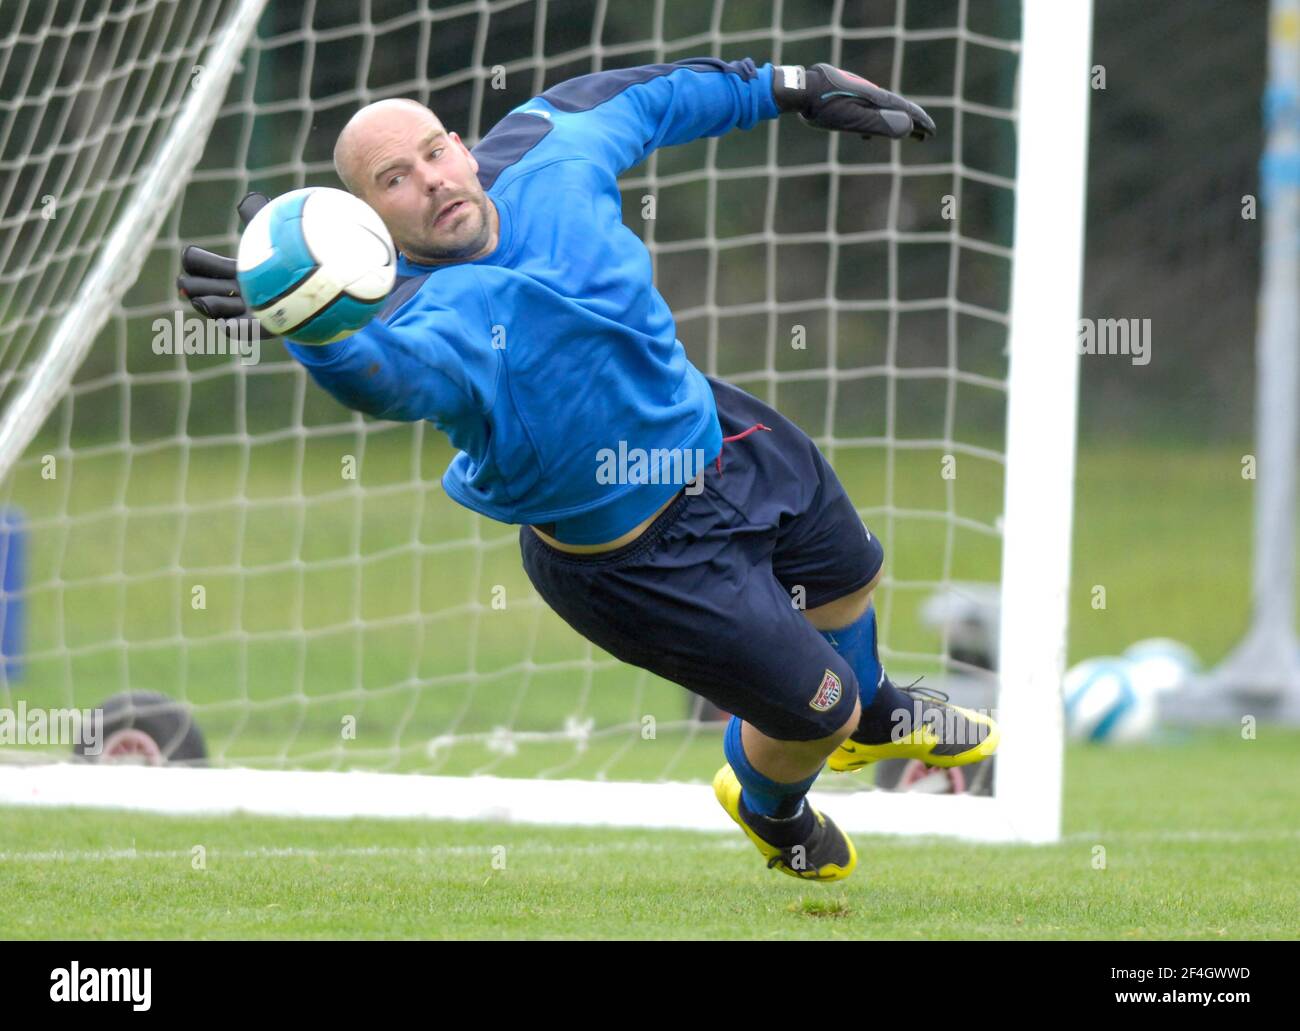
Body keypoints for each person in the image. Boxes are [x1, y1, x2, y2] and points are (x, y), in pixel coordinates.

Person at [178, 58, 998, 882]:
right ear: (370, 222)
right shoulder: (418, 313)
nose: (430, 181)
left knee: (852, 576)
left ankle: (876, 712)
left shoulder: (549, 149)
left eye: (434, 152)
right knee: (819, 710)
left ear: (462, 146)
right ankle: (770, 806)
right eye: (395, 179)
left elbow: (657, 98)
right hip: (635, 562)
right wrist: (312, 316)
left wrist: (791, 86)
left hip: (719, 435)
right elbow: (384, 380)